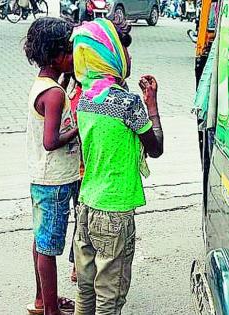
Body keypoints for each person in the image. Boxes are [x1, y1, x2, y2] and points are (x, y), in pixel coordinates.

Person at [71, 17, 163, 314]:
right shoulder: (128, 104)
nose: (130, 57)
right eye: (125, 50)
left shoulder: (84, 99)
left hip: (86, 206)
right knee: (109, 297)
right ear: (113, 55)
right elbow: (156, 148)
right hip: (115, 213)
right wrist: (152, 104)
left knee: (86, 291)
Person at [24, 17, 80, 315]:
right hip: (55, 180)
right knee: (48, 247)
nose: (74, 56)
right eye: (69, 51)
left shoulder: (46, 85)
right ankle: (51, 311)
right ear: (55, 54)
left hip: (41, 177)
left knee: (41, 240)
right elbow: (50, 141)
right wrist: (78, 128)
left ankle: (42, 300)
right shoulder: (55, 94)